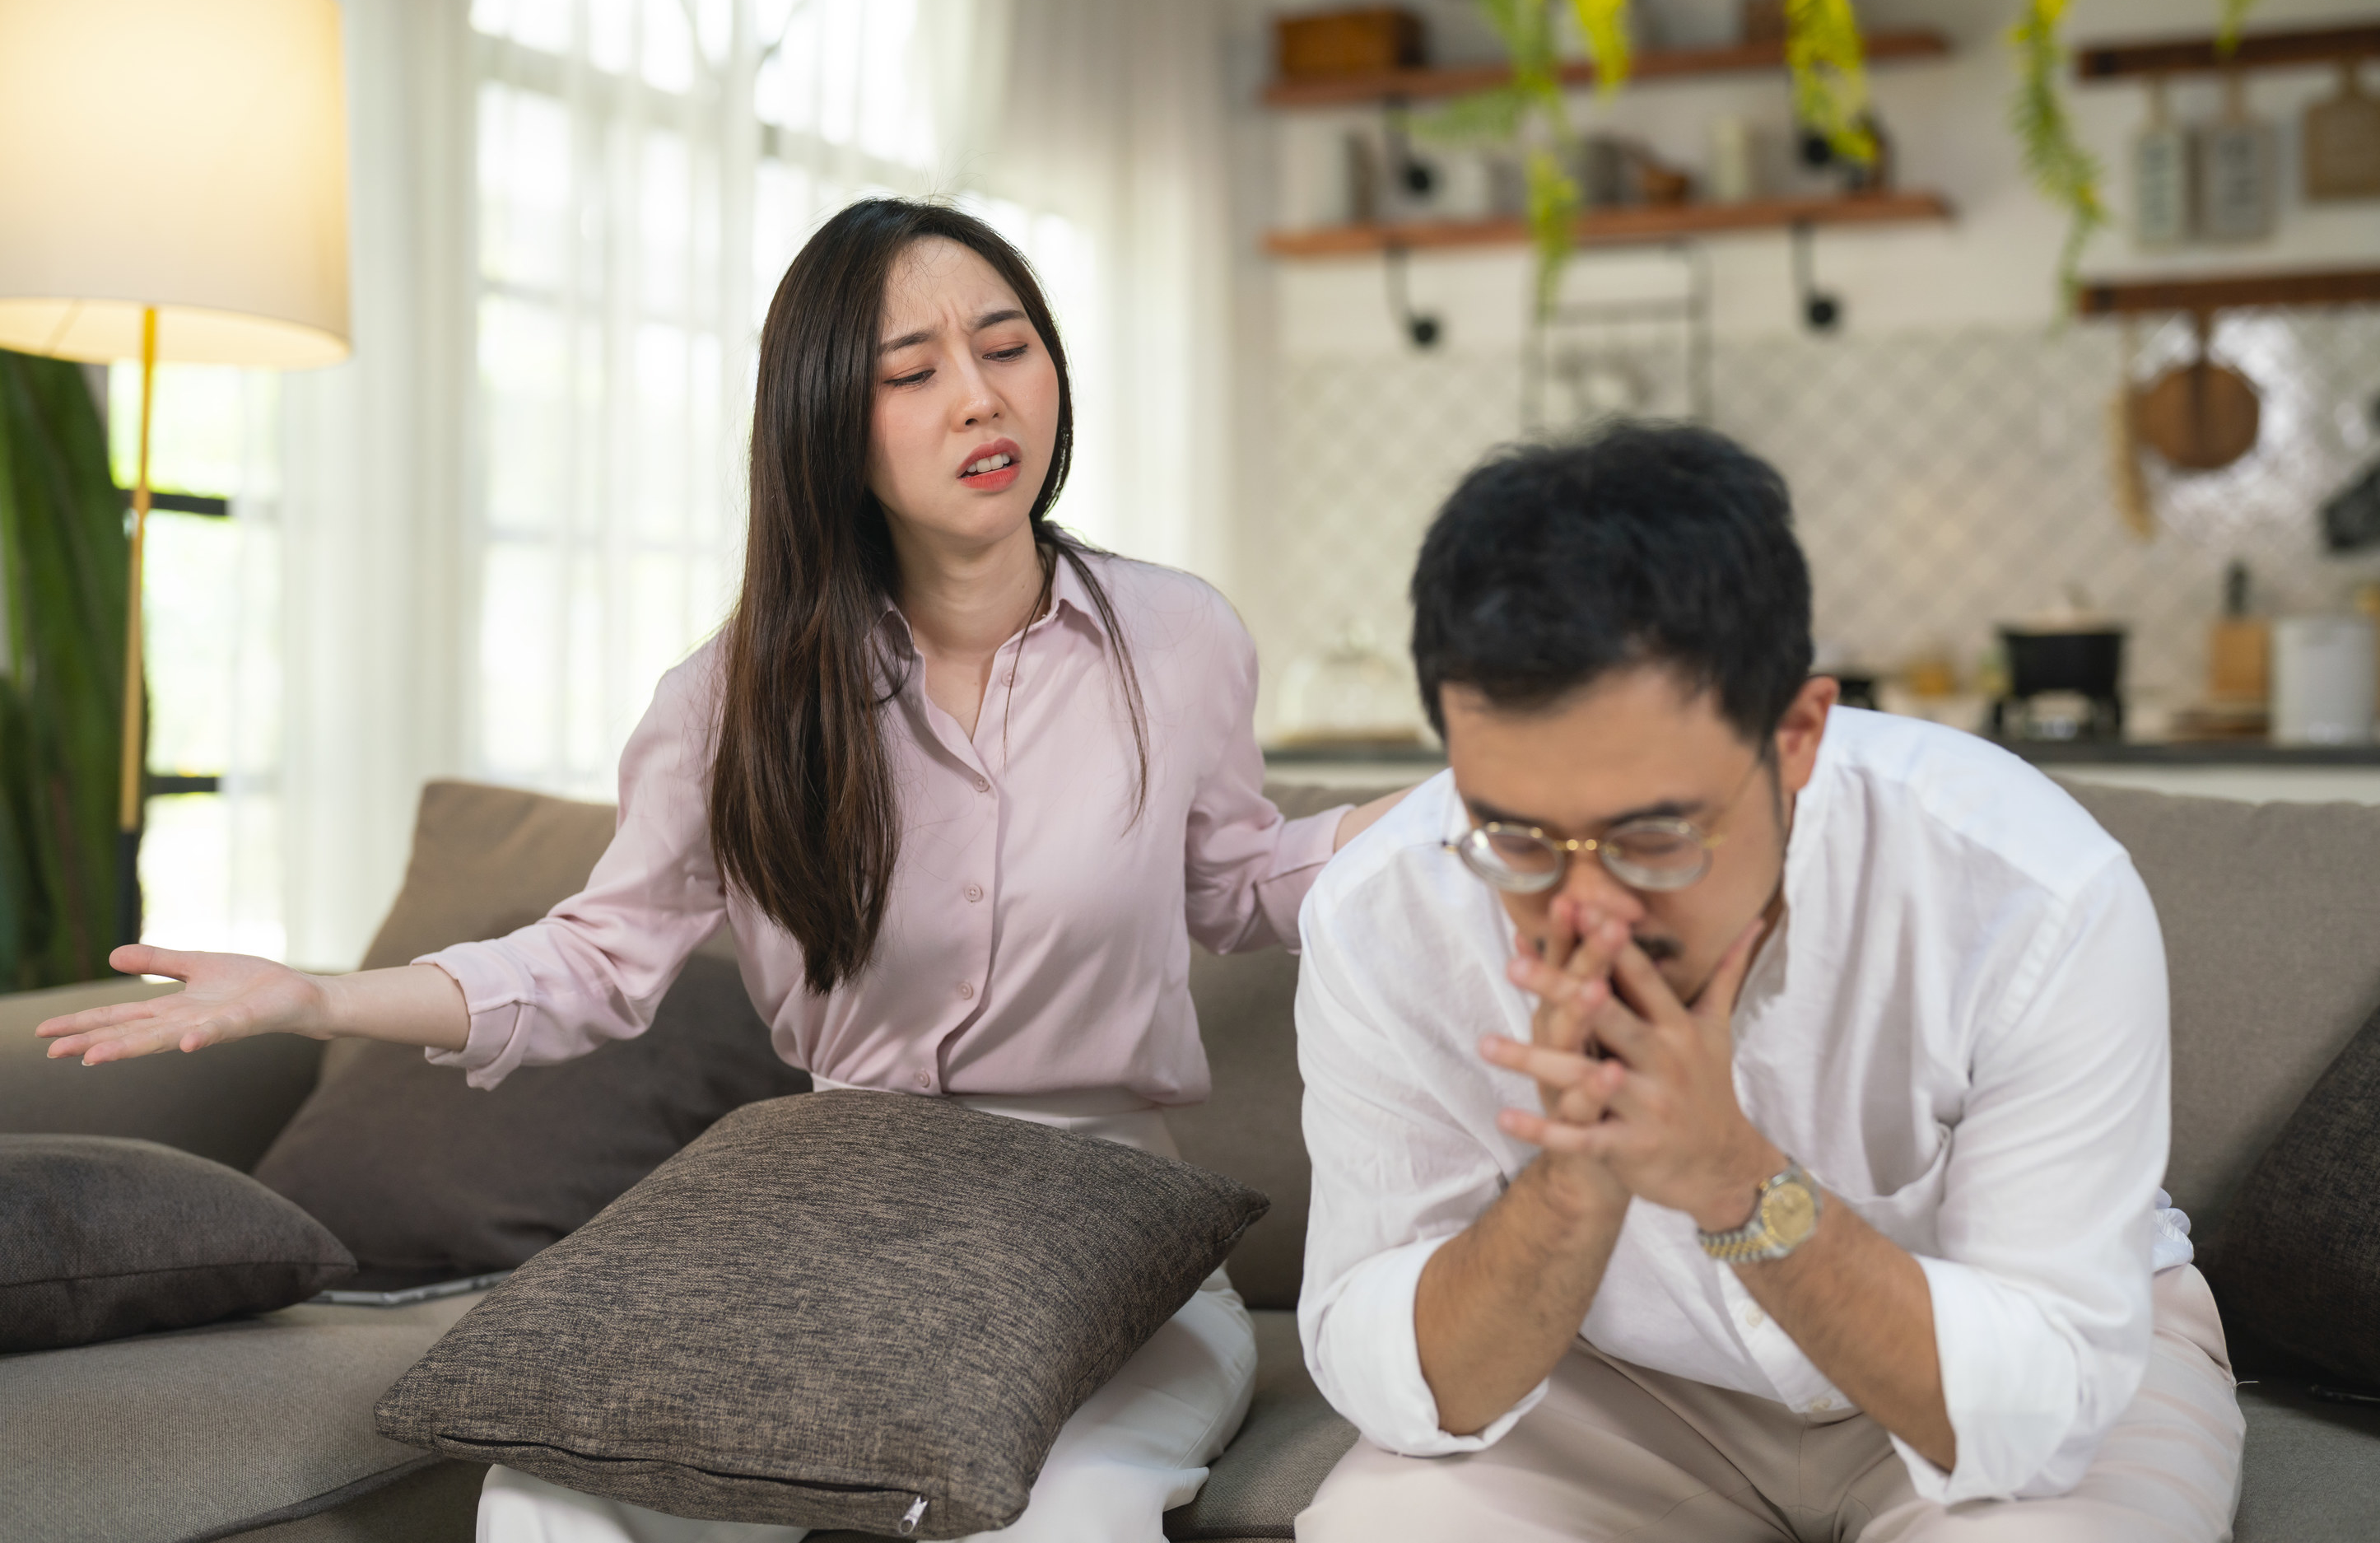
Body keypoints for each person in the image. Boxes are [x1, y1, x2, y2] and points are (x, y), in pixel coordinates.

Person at [40, 198, 1404, 1543]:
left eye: (1008, 346)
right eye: (913, 373)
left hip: (1110, 1233)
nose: (981, 401)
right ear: (826, 425)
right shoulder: (734, 697)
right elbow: (592, 961)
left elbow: (1237, 879)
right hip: (838, 1233)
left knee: (1069, 1505)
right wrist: (317, 999)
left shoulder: (1174, 638)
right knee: (546, 1495)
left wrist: (1445, 813)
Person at [1288, 425, 2241, 1542]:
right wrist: (1568, 1191)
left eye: (1653, 837)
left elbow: (2041, 1412)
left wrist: (1735, 1182)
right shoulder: (1377, 913)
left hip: (2010, 1363)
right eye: (1519, 838)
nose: (1590, 912)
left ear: (1796, 734)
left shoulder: (2036, 891)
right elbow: (1381, 1362)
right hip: (1610, 1383)